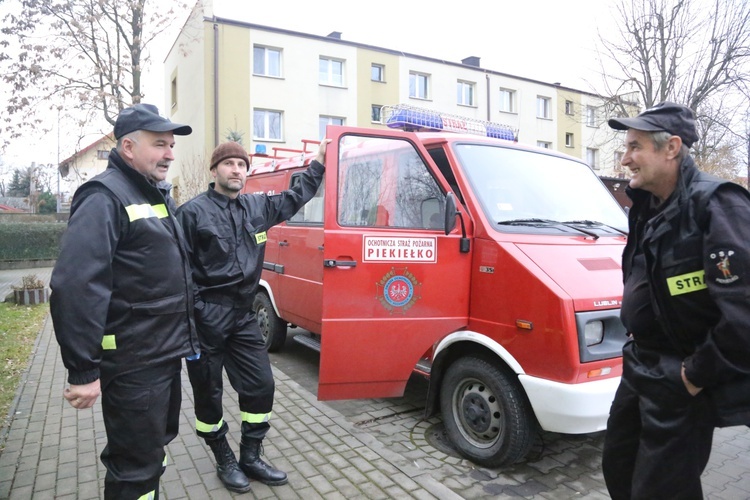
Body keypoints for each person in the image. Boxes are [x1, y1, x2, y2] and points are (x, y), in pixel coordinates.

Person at [50, 103, 200, 500]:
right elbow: (76, 285)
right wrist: (83, 371)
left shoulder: (151, 193)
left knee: (152, 452)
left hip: (161, 355)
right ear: (129, 147)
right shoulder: (104, 196)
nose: (170, 153)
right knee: (134, 468)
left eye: (171, 145)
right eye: (159, 144)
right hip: (135, 364)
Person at [602, 101, 750, 499]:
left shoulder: (718, 204)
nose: (625, 158)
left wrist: (694, 375)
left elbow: (744, 312)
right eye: (625, 147)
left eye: (635, 147)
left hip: (679, 375)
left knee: (663, 489)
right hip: (639, 365)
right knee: (618, 466)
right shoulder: (647, 206)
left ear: (671, 148)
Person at [176, 139, 327, 493]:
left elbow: (295, 195)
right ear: (215, 171)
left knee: (261, 385)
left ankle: (251, 454)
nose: (236, 170)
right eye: (228, 164)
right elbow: (178, 272)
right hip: (206, 320)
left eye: (241, 165)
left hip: (243, 317)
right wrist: (195, 313)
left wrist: (318, 162)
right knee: (208, 393)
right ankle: (223, 457)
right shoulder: (192, 213)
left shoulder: (256, 208)